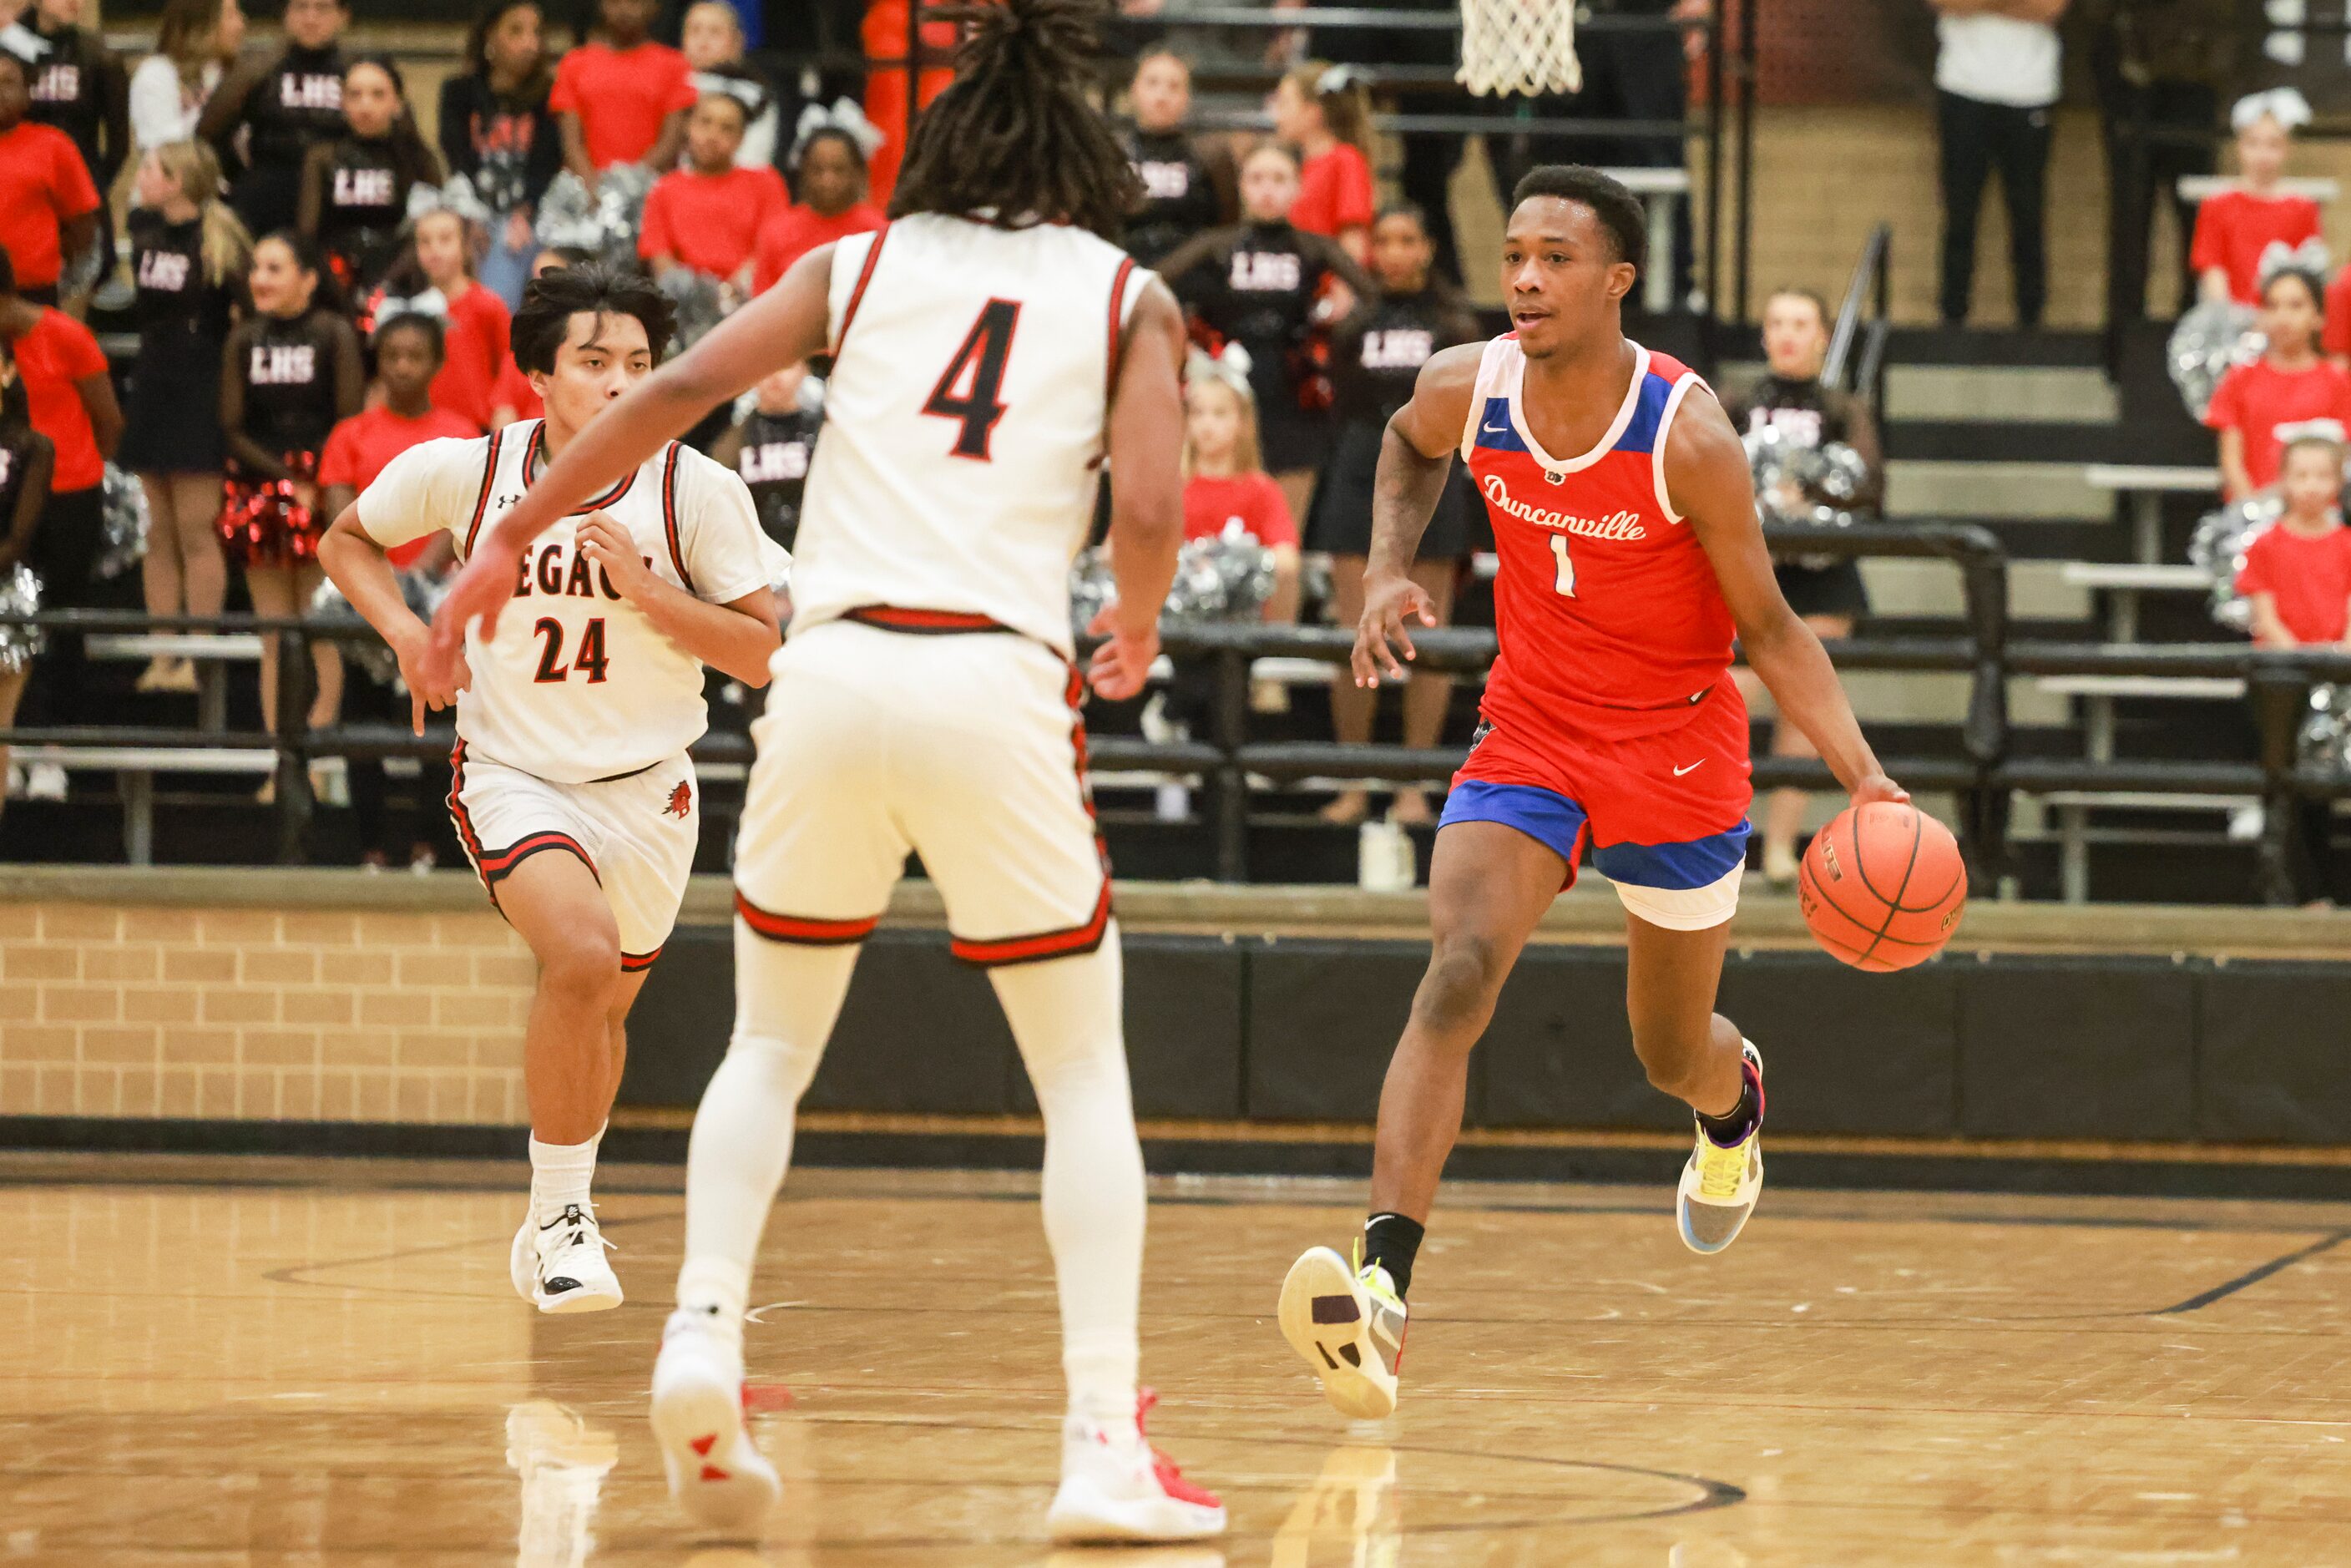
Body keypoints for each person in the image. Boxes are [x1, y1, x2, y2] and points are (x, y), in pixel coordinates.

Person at [419, 0, 1224, 1542]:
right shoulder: (1127, 295)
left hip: (828, 679)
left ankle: (701, 1333)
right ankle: (1101, 1438)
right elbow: (1153, 492)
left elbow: (661, 403)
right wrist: (1130, 616)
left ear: (935, 146)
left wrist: (505, 539)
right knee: (1079, 1071)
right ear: (1081, 152)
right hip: (988, 679)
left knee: (768, 1046)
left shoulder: (851, 262)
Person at [1276, 165, 1904, 1421]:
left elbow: (1774, 629)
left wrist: (1869, 781)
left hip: (1677, 750)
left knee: (1669, 1050)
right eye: (1514, 253)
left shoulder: (1690, 434)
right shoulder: (1472, 382)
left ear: (1616, 280)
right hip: (1533, 732)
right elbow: (1401, 445)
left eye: (1556, 257)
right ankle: (1382, 1291)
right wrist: (1387, 573)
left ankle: (1734, 1109)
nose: (1524, 277)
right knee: (1457, 969)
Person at [318, 264, 781, 1314]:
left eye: (637, 366)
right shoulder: (467, 472)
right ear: (538, 375)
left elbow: (760, 653)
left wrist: (647, 591)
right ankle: (566, 1213)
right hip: (514, 772)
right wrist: (406, 633)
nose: (618, 384)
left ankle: (548, 1224)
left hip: (649, 785)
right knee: (577, 956)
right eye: (592, 363)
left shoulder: (696, 492)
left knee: (600, 1012)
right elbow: (346, 539)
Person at [1313, 202, 1480, 827]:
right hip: (1358, 471)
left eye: (1407, 239)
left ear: (1428, 248)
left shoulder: (1454, 324)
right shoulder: (1353, 326)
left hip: (1435, 474)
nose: (1394, 252)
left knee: (1426, 638)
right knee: (1352, 630)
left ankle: (1414, 784)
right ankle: (1353, 779)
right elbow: (1343, 405)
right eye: (1384, 240)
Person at [1723, 286, 1886, 888]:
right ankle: (1724, 839)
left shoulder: (1844, 407)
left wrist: (1809, 495)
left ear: (1822, 336)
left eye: (1801, 323)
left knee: (1806, 710)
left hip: (1824, 576)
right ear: (1764, 335)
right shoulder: (1736, 401)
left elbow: (1869, 486)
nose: (1789, 334)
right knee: (1731, 700)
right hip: (1752, 570)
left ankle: (1780, 851)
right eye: (1777, 322)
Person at [316, 311, 478, 869]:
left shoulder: (462, 433)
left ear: (435, 363)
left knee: (439, 729)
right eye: (392, 356)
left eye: (415, 356)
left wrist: (420, 580)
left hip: (438, 601)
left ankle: (433, 842)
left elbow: (463, 517)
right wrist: (380, 584)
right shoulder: (349, 434)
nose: (403, 366)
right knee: (363, 728)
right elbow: (342, 519)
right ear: (378, 363)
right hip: (366, 604)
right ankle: (374, 847)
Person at [1159, 140, 1372, 533]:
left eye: (1279, 179)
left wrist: (1338, 320)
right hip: (1226, 398)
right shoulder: (1215, 246)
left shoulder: (1315, 248)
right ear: (1242, 186)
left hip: (1294, 399)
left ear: (1298, 188)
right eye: (1257, 179)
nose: (1267, 190)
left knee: (1281, 536)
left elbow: (1374, 300)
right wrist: (1187, 337)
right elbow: (1151, 285)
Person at [220, 230, 361, 763]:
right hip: (262, 489)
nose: (260, 278)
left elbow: (349, 420)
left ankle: (321, 755)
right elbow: (231, 428)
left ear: (308, 278)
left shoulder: (334, 333)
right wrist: (284, 481)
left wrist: (318, 483)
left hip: (326, 484)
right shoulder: (242, 339)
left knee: (319, 626)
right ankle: (281, 760)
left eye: (275, 268)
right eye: (257, 267)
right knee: (275, 635)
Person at [122, 140, 249, 695]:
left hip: (200, 388)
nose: (142, 176)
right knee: (157, 531)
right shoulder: (143, 229)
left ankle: (195, 658)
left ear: (177, 181)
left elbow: (246, 318)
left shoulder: (220, 240)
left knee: (196, 531)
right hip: (152, 384)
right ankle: (161, 654)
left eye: (151, 169)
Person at [0, 245, 118, 788]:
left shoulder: (66, 336)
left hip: (71, 493)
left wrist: (82, 469)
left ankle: (53, 748)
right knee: (10, 625)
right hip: (6, 493)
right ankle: (13, 744)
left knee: (62, 620)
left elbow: (109, 420)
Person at [2237, 432, 2351, 904]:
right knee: (2280, 786)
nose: (2311, 486)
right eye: (2300, 475)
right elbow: (2264, 616)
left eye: (2322, 475)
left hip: (2338, 681)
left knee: (2319, 793)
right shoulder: (2265, 546)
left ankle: (2319, 895)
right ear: (2282, 481)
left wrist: (2338, 653)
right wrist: (2300, 654)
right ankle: (2282, 890)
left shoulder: (2347, 544)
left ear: (2338, 482)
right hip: (2280, 683)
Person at [1932, 0, 2067, 329]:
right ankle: (1952, 319)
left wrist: (1980, 5)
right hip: (1962, 88)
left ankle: (2031, 322)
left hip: (2030, 91)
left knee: (2027, 213)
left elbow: (2049, 8)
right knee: (1960, 212)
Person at [437, 0, 559, 310]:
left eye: (536, 32)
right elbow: (457, 159)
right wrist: (470, 215)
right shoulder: (458, 92)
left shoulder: (549, 95)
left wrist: (525, 210)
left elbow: (545, 166)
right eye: (516, 31)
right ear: (490, 36)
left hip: (529, 218)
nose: (530, 43)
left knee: (508, 251)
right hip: (470, 210)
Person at [199, 0, 350, 241]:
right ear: (285, 15)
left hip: (339, 200)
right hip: (266, 198)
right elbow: (207, 134)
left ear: (343, 17)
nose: (310, 19)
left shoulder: (359, 72)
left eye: (322, 9)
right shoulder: (255, 69)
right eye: (301, 8)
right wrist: (241, 179)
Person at [298, 57, 441, 306]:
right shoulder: (322, 157)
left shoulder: (417, 159)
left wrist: (384, 287)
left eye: (378, 95)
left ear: (397, 103)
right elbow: (308, 235)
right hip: (335, 281)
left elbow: (429, 233)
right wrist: (334, 285)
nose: (365, 105)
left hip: (400, 279)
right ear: (342, 103)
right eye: (355, 95)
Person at [2207, 266, 2351, 501]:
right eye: (2272, 306)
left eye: (2296, 306)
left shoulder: (2338, 381)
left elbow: (2344, 456)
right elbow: (2231, 461)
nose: (2283, 318)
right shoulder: (2239, 378)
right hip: (2253, 520)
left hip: (2322, 521)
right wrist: (2254, 512)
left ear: (2319, 317)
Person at [1182, 348, 1301, 621]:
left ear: (1242, 422)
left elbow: (1286, 560)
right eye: (1198, 413)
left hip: (1243, 628)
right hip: (1176, 627)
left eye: (1220, 414)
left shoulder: (1262, 490)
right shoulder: (1170, 489)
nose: (1207, 424)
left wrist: (1234, 564)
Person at [16, 0, 128, 286]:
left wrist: (89, 189)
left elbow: (118, 145)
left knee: (78, 288)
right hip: (19, 194)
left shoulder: (98, 55)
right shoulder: (10, 49)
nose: (75, 2)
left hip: (78, 196)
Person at [638, 94, 786, 289]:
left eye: (727, 128)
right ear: (689, 126)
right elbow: (661, 261)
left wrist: (729, 294)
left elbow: (770, 250)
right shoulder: (664, 189)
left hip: (748, 301)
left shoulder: (766, 182)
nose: (713, 136)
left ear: (741, 138)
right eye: (705, 122)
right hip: (684, 302)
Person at [2193, 89, 2318, 310]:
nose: (2263, 154)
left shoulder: (2302, 207)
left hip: (2283, 319)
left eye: (2273, 144)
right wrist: (2229, 319)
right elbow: (2213, 269)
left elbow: (2306, 275)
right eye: (2253, 143)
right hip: (2231, 318)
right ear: (2239, 146)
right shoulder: (2216, 205)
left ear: (2288, 148)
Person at [396, 203, 512, 432]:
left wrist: (502, 410)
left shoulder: (488, 305)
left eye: (445, 239)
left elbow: (509, 366)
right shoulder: (411, 311)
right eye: (425, 242)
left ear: (466, 245)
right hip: (424, 431)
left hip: (478, 432)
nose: (434, 250)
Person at [0, 334, 54, 819]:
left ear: (7, 372)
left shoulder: (32, 446)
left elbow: (20, 539)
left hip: (7, 593)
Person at [550, 0, 695, 181]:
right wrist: (593, 184)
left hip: (650, 188)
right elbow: (570, 143)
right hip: (585, 189)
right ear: (602, 5)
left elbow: (671, 141)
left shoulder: (675, 65)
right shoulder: (574, 63)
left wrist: (628, 184)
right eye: (615, 2)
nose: (624, 10)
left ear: (653, 7)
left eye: (635, 2)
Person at [0, 50, 98, 306]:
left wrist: (61, 272)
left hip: (36, 294)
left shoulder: (53, 145)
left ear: (27, 94)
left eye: (8, 83)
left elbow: (82, 223)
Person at [1120, 48, 1232, 270]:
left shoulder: (1212, 155)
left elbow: (1227, 228)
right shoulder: (1112, 151)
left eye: (1174, 86)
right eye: (1152, 83)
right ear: (1134, 90)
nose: (1162, 97)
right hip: (1123, 268)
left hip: (1190, 274)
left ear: (1187, 97)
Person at [749, 118, 882, 294]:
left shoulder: (878, 232)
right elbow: (762, 302)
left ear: (857, 172)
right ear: (802, 171)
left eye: (839, 170)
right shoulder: (776, 232)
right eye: (817, 169)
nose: (827, 181)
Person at [705, 362, 817, 550]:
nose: (775, 376)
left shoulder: (820, 433)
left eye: (786, 365)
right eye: (767, 365)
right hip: (751, 556)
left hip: (812, 553)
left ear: (804, 371)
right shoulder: (729, 439)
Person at [1271, 61, 1373, 266]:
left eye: (1284, 103)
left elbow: (1353, 241)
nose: (1276, 115)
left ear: (1313, 112)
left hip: (1328, 291)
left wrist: (1340, 293)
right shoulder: (1297, 165)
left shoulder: (1346, 160)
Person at [488, 243, 585, 426]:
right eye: (533, 282)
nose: (537, 292)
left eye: (548, 282)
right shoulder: (522, 352)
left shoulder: (605, 349)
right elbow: (503, 426)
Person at [129, 0, 244, 151]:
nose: (241, 25)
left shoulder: (233, 76)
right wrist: (212, 109)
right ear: (201, 25)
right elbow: (162, 149)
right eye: (230, 15)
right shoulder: (156, 75)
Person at [680, 0, 777, 170]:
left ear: (738, 41)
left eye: (715, 32)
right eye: (694, 30)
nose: (703, 41)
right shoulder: (669, 87)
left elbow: (754, 162)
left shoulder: (755, 96)